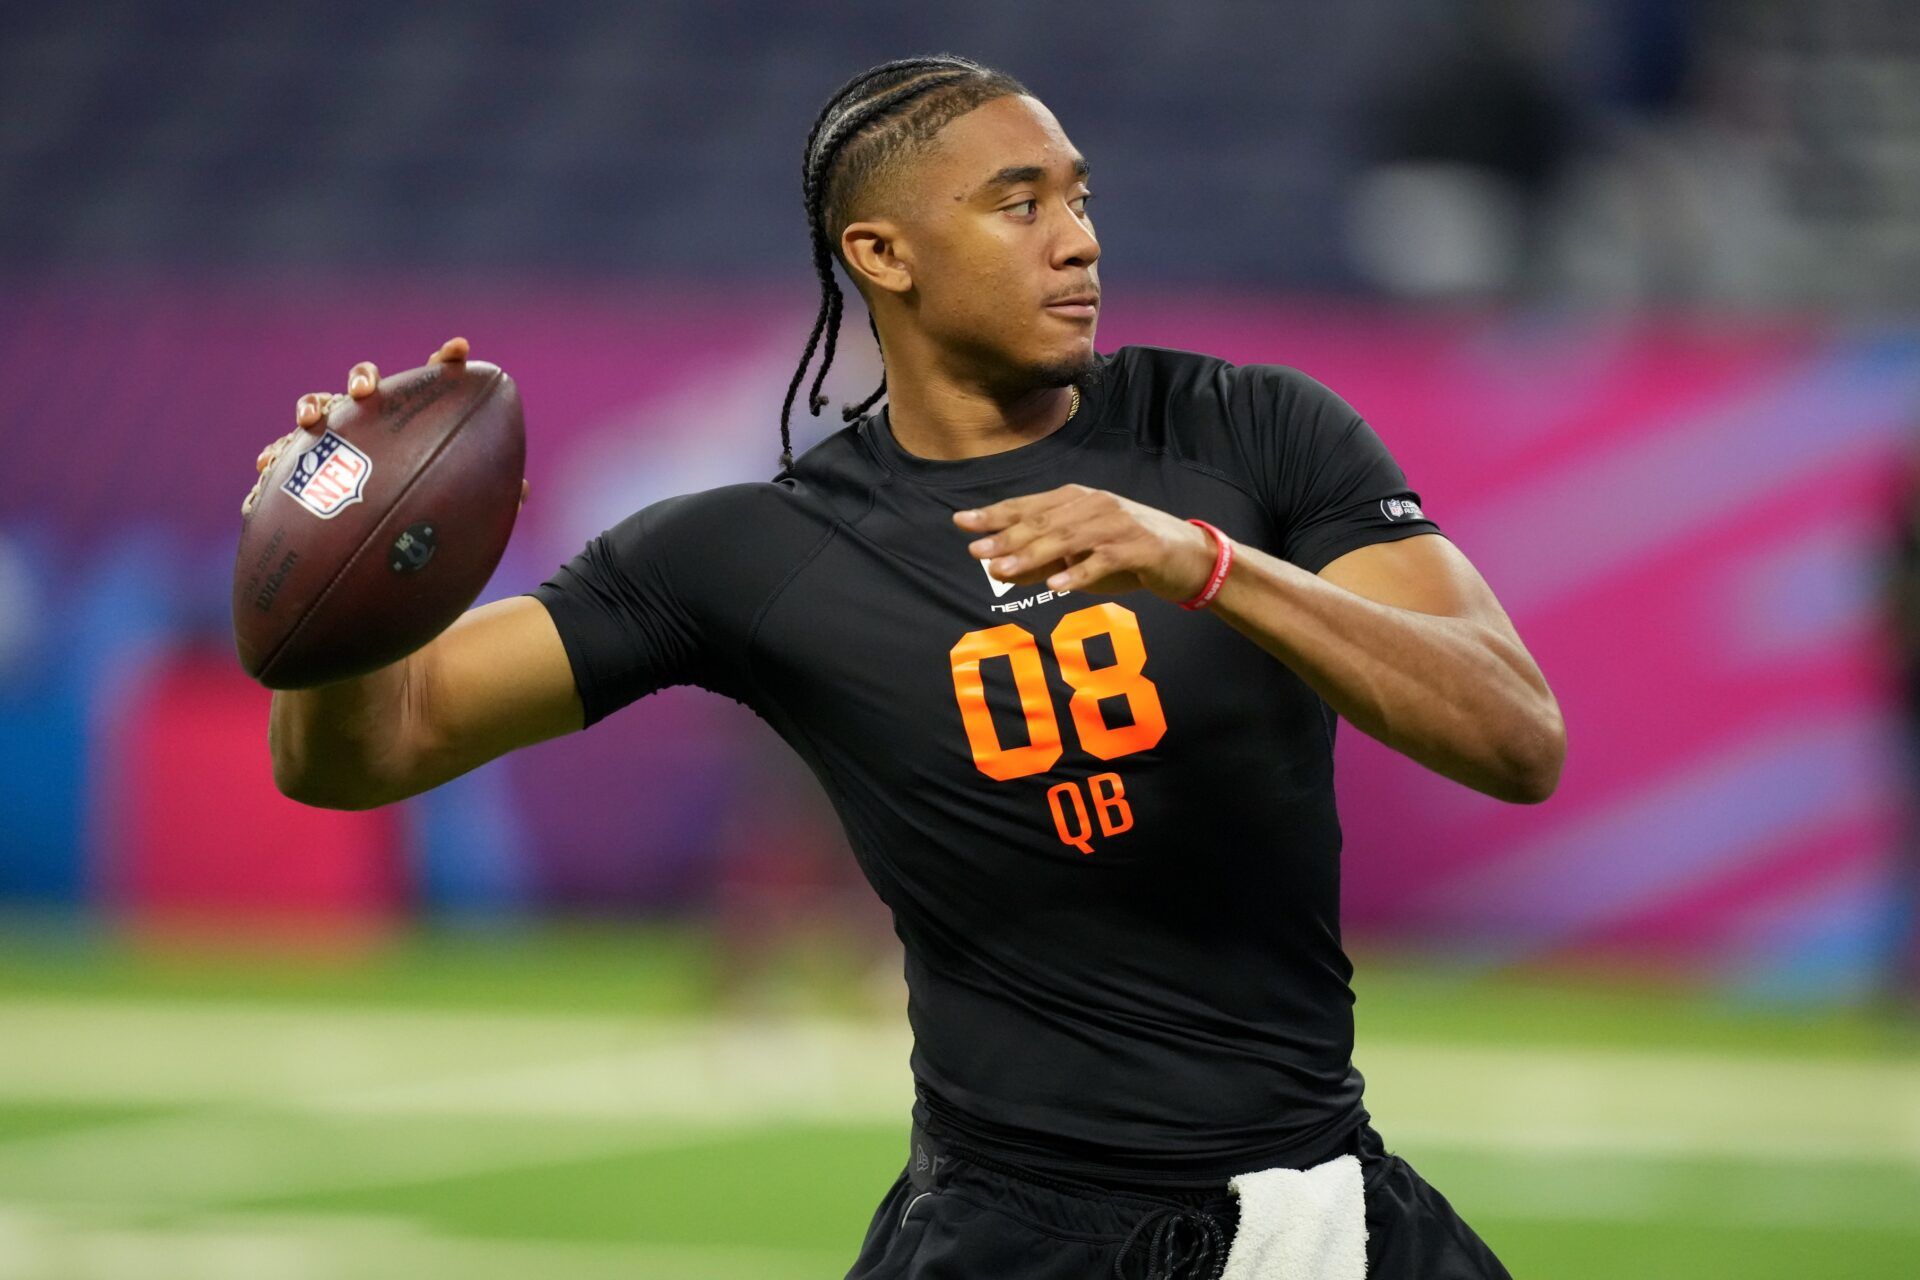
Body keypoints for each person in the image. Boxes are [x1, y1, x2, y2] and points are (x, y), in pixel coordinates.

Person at [250, 55, 1562, 1280]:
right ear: (881, 254)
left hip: (1314, 1210)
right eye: (1018, 203)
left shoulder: (1250, 429)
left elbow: (1516, 737)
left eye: (1079, 196)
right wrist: (331, 578)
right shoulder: (759, 548)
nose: (1080, 237)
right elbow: (364, 754)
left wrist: (1209, 565)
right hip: (1007, 1228)